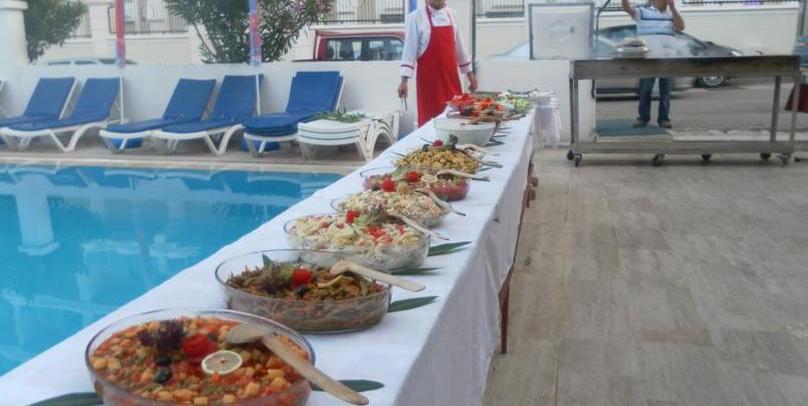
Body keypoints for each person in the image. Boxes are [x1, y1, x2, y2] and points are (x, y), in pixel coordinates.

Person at [397, 0, 478, 127]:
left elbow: (460, 47)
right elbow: (409, 50)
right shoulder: (416, 17)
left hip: (451, 80)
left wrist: (470, 74)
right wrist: (404, 81)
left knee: (455, 120)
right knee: (430, 123)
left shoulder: (452, 15)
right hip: (429, 85)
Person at [622, 0, 685, 128]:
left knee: (665, 90)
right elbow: (627, 8)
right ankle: (643, 118)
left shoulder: (671, 14)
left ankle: (664, 119)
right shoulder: (643, 12)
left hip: (666, 58)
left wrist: (673, 8)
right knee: (645, 89)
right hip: (648, 58)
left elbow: (681, 27)